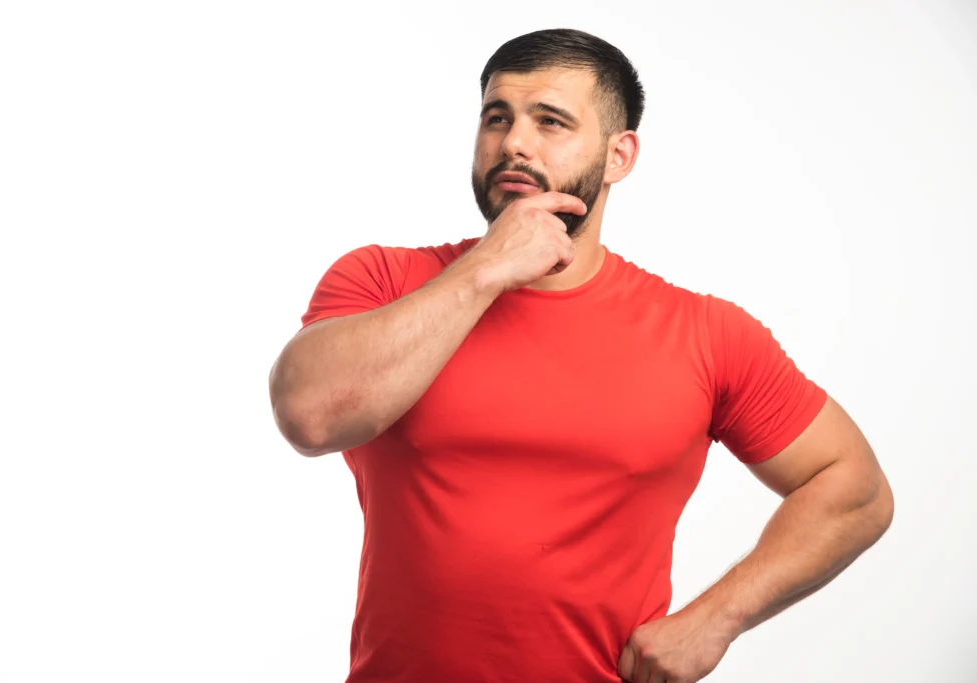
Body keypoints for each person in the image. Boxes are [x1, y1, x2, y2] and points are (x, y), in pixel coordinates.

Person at [268, 28, 894, 683]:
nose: (514, 142)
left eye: (551, 121)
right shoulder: (383, 281)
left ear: (619, 156)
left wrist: (718, 617)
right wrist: (486, 269)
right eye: (496, 118)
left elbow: (856, 489)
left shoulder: (706, 333)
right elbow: (311, 415)